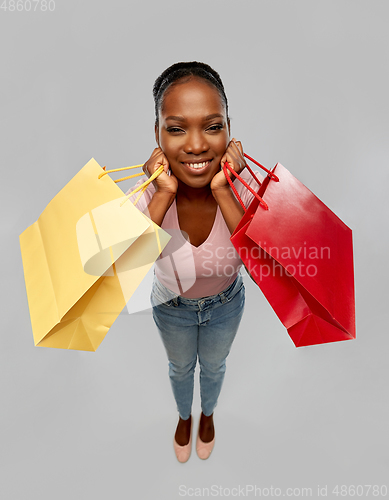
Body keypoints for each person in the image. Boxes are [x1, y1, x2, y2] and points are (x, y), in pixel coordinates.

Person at [125, 61, 263, 462]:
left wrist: (224, 190)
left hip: (225, 305)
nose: (197, 144)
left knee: (215, 368)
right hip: (171, 306)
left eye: (212, 126)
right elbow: (127, 263)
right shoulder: (148, 192)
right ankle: (184, 417)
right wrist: (164, 194)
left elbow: (258, 264)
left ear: (228, 129)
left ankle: (207, 415)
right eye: (177, 128)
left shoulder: (247, 186)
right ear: (157, 134)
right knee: (181, 369)